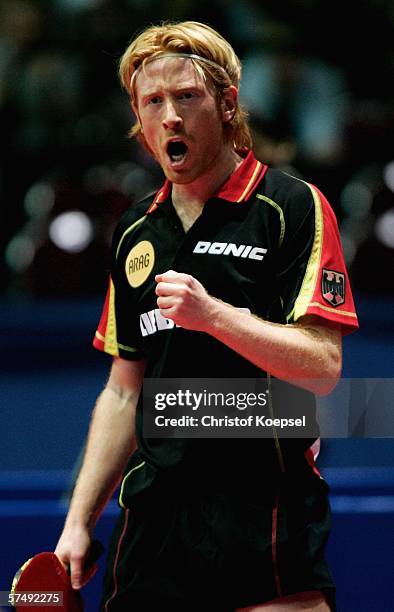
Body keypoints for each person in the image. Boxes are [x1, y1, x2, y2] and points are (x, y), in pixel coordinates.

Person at [55, 21, 358, 611]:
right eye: (153, 102)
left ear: (226, 103)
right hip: (155, 522)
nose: (170, 115)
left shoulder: (290, 207)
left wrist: (213, 315)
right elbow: (123, 393)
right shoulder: (135, 232)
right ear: (139, 123)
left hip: (266, 511)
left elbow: (323, 367)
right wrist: (78, 519)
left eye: (187, 97)